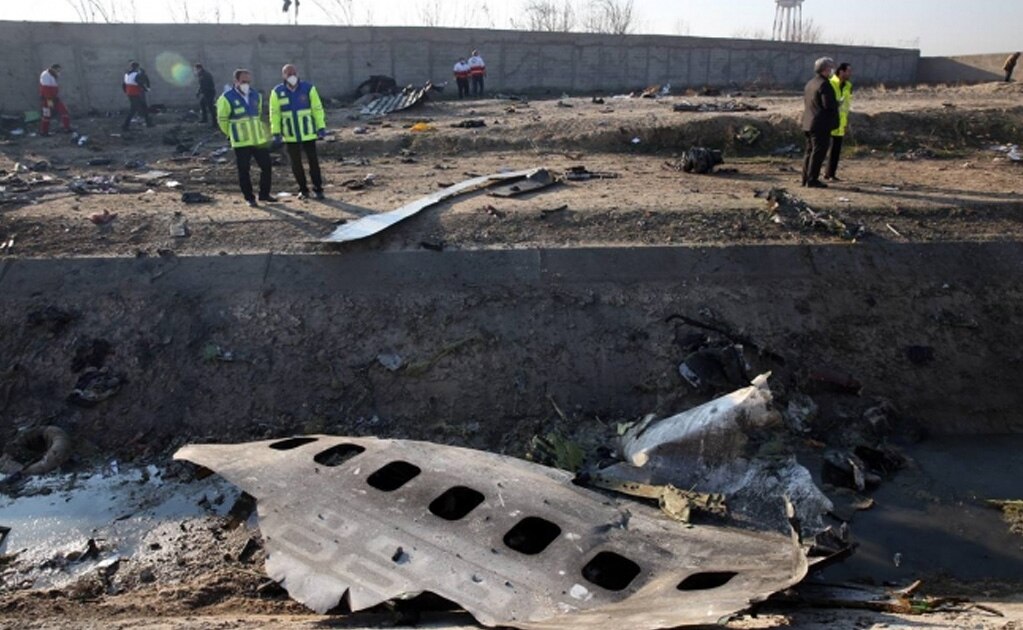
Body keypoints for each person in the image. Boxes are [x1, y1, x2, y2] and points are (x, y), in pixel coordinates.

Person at [216, 69, 275, 207]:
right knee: (244, 170)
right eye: (243, 82)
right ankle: (249, 197)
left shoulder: (256, 95)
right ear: (236, 81)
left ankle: (264, 194)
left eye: (248, 82)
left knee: (266, 166)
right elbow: (222, 120)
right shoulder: (226, 98)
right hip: (241, 141)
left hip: (258, 139)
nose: (246, 84)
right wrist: (231, 134)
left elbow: (258, 114)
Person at [269, 64, 327, 200]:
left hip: (308, 132)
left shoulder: (308, 88)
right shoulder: (277, 92)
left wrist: (321, 126)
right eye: (288, 74)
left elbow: (317, 108)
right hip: (290, 135)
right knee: (296, 164)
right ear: (283, 75)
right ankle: (303, 189)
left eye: (293, 73)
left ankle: (318, 189)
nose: (291, 76)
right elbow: (274, 113)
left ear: (298, 73)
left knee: (313, 162)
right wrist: (276, 132)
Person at [801, 56, 839, 189]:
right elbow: (827, 104)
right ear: (825, 69)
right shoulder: (824, 84)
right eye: (830, 68)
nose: (832, 71)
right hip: (820, 124)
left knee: (809, 151)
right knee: (818, 152)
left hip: (808, 122)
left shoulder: (810, 83)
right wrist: (837, 104)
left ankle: (805, 178)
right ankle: (812, 180)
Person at [825, 62, 853, 182]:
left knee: (835, 151)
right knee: (823, 149)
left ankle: (830, 174)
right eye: (848, 71)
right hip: (829, 122)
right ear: (841, 72)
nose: (850, 74)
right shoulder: (830, 83)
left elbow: (846, 105)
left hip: (840, 123)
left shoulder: (848, 86)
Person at [38, 64, 71, 136]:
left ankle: (67, 128)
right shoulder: (46, 75)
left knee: (64, 111)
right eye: (58, 70)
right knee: (47, 115)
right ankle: (44, 132)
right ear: (53, 69)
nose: (59, 72)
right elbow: (46, 90)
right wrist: (51, 104)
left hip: (53, 98)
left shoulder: (51, 75)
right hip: (48, 99)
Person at [122, 61, 153, 131]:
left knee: (144, 107)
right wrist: (146, 89)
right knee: (133, 110)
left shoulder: (127, 74)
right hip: (135, 94)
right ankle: (125, 125)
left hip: (130, 93)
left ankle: (149, 123)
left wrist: (126, 92)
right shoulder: (136, 74)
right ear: (137, 67)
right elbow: (139, 83)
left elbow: (124, 85)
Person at [194, 63, 217, 127]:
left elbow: (205, 85)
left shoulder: (205, 75)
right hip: (206, 92)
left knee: (211, 107)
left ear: (199, 68)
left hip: (209, 92)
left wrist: (200, 92)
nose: (195, 71)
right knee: (202, 103)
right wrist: (198, 92)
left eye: (196, 69)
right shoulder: (201, 74)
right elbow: (201, 85)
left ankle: (215, 123)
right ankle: (205, 119)